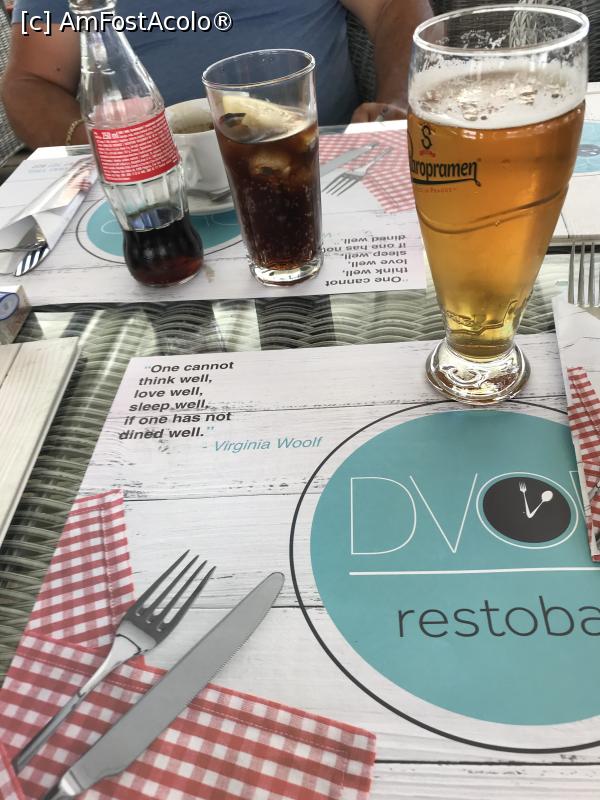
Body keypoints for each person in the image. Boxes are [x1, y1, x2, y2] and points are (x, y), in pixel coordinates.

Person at [2, 0, 432, 149]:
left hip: (322, 159)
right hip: (153, 185)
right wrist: (100, 147)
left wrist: (398, 105)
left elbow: (392, 7)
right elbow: (31, 81)